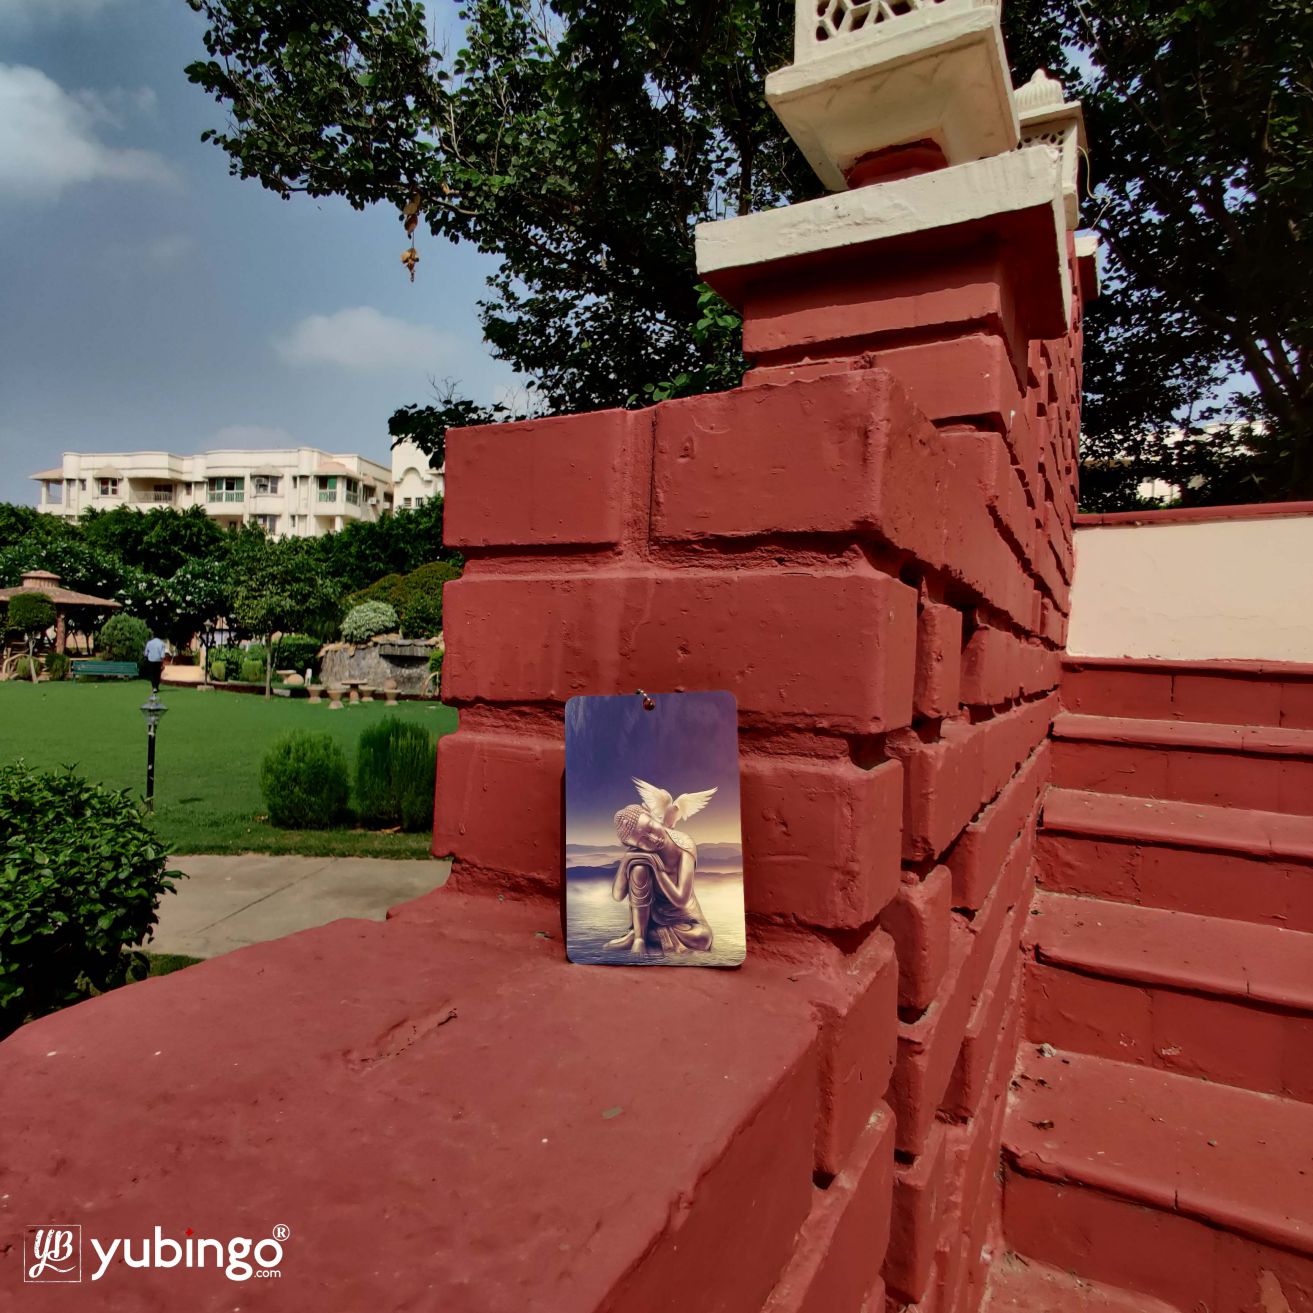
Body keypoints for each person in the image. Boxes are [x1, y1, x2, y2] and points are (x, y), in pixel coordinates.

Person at [606, 802, 714, 957]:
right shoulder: (639, 854)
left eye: (650, 828)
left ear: (652, 815)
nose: (653, 838)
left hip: (686, 920)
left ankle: (643, 934)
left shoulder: (683, 844)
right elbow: (617, 896)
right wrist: (626, 860)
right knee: (638, 868)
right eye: (642, 841)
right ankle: (639, 938)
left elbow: (682, 899)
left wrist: (658, 869)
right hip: (651, 918)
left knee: (702, 938)